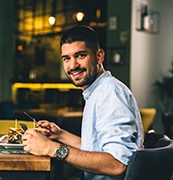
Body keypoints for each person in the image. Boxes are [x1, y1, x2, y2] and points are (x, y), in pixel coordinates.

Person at [22, 25, 144, 180]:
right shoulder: (97, 91)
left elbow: (118, 164)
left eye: (80, 55)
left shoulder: (109, 93)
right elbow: (96, 149)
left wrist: (50, 148)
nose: (72, 66)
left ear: (99, 56)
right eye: (66, 58)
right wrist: (60, 135)